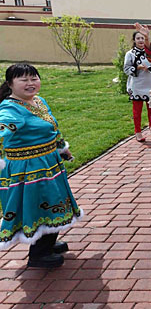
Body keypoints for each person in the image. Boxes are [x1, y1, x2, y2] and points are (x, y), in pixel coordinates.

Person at [0, 63, 83, 268]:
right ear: (10, 84)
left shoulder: (38, 101)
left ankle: (47, 243)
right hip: (28, 169)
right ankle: (39, 254)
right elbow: (3, 127)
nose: (30, 83)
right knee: (41, 206)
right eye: (24, 80)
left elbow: (52, 129)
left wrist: (62, 148)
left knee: (54, 202)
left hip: (48, 163)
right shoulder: (10, 109)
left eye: (34, 78)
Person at [124, 31, 151, 142]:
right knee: (137, 111)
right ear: (134, 40)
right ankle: (137, 131)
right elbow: (126, 69)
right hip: (137, 85)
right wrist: (138, 67)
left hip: (150, 83)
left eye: (142, 38)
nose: (141, 40)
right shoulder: (130, 54)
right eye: (138, 38)